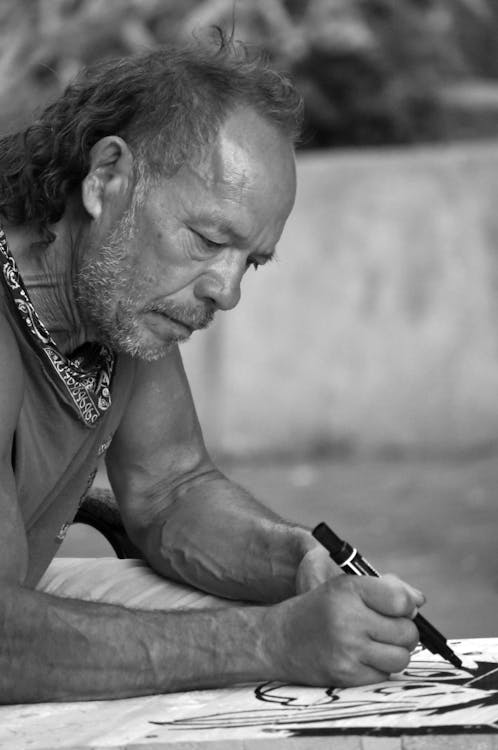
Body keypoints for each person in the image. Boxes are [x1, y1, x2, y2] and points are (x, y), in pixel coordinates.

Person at [0, 34, 424, 704]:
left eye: (249, 261)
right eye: (207, 239)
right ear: (108, 176)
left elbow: (171, 489)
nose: (225, 291)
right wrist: (269, 640)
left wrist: (293, 564)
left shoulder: (122, 302)